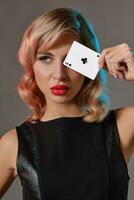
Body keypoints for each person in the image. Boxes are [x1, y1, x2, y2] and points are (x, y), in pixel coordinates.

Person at [0, 7, 134, 200]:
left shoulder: (122, 126)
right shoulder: (15, 144)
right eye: (46, 58)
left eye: (70, 59)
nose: (59, 74)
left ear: (88, 63)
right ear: (32, 65)